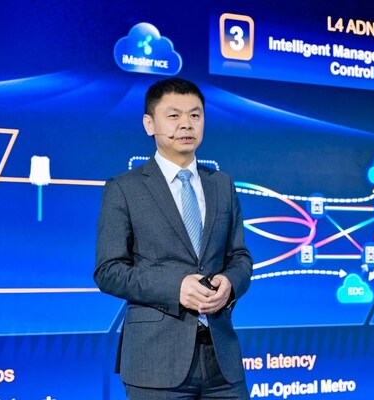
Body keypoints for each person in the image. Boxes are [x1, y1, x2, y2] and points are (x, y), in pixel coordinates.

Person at [94, 77, 253, 399]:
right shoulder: (124, 188)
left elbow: (240, 257)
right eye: (174, 115)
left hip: (223, 360)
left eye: (195, 115)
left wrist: (230, 283)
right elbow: (108, 271)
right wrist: (175, 288)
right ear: (149, 124)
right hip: (156, 362)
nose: (186, 124)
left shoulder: (222, 184)